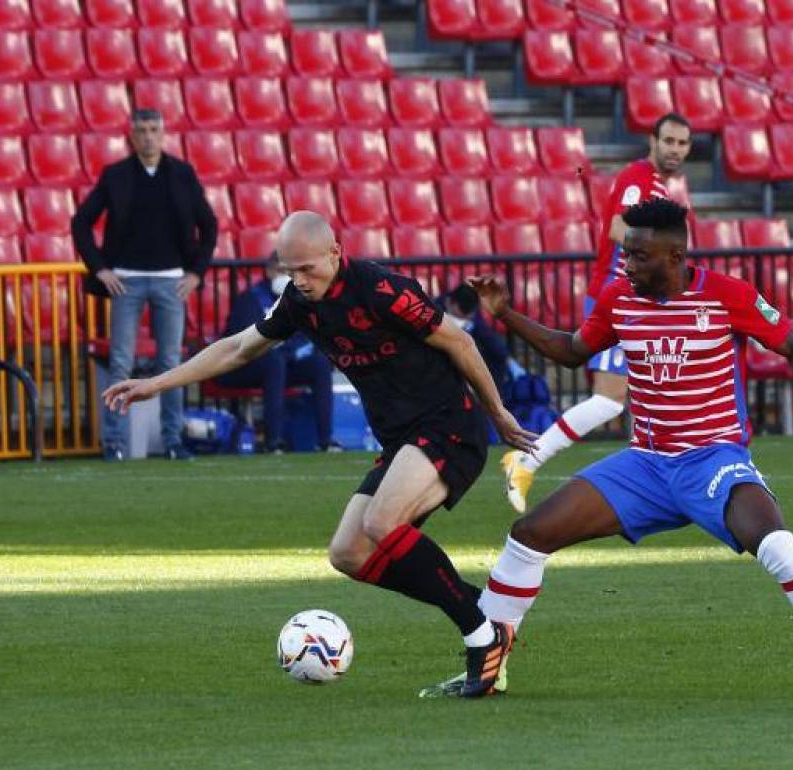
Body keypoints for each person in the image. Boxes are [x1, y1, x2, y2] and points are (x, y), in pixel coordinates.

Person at [423, 198, 793, 698]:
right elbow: (573, 350)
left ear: (675, 256)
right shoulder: (619, 297)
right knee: (529, 533)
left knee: (777, 547)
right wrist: (506, 314)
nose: (628, 264)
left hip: (713, 458)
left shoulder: (726, 295)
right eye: (626, 252)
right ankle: (489, 671)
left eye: (640, 255)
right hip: (644, 465)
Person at [104, 211, 538, 697]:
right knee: (348, 553)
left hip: (448, 425)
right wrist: (157, 383)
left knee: (381, 522)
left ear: (335, 253)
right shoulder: (297, 302)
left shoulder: (380, 289)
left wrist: (497, 412)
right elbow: (239, 349)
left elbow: (458, 340)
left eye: (307, 269)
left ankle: (482, 634)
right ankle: (479, 611)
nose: (300, 281)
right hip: (402, 441)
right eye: (290, 271)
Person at [501, 113, 695, 513]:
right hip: (619, 297)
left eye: (682, 143)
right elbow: (617, 229)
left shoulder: (656, 185)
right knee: (609, 401)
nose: (675, 149)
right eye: (669, 141)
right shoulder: (638, 178)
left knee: (649, 391)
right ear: (652, 141)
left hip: (640, 298)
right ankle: (525, 460)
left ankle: (657, 482)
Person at [72, 107, 218, 461]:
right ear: (132, 135)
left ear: (163, 133)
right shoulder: (116, 175)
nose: (148, 136)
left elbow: (210, 225)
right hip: (126, 280)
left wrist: (196, 272)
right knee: (121, 361)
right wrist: (100, 269)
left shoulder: (182, 174)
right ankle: (115, 444)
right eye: (142, 130)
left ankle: (173, 441)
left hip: (172, 281)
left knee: (172, 364)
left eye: (154, 129)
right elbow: (81, 223)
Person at [214, 252, 336, 453]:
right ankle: (274, 441)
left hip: (281, 366)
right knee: (274, 361)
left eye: (290, 271)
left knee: (319, 363)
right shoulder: (251, 299)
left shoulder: (299, 301)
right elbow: (245, 344)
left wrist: (293, 351)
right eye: (281, 270)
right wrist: (287, 351)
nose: (286, 276)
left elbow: (306, 339)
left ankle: (326, 441)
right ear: (269, 271)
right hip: (243, 368)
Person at [439, 283, 512, 392]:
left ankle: (494, 398)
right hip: (440, 354)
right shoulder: (434, 308)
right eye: (460, 315)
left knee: (499, 354)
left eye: (468, 316)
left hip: (467, 352)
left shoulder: (471, 310)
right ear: (450, 303)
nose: (464, 318)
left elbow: (487, 336)